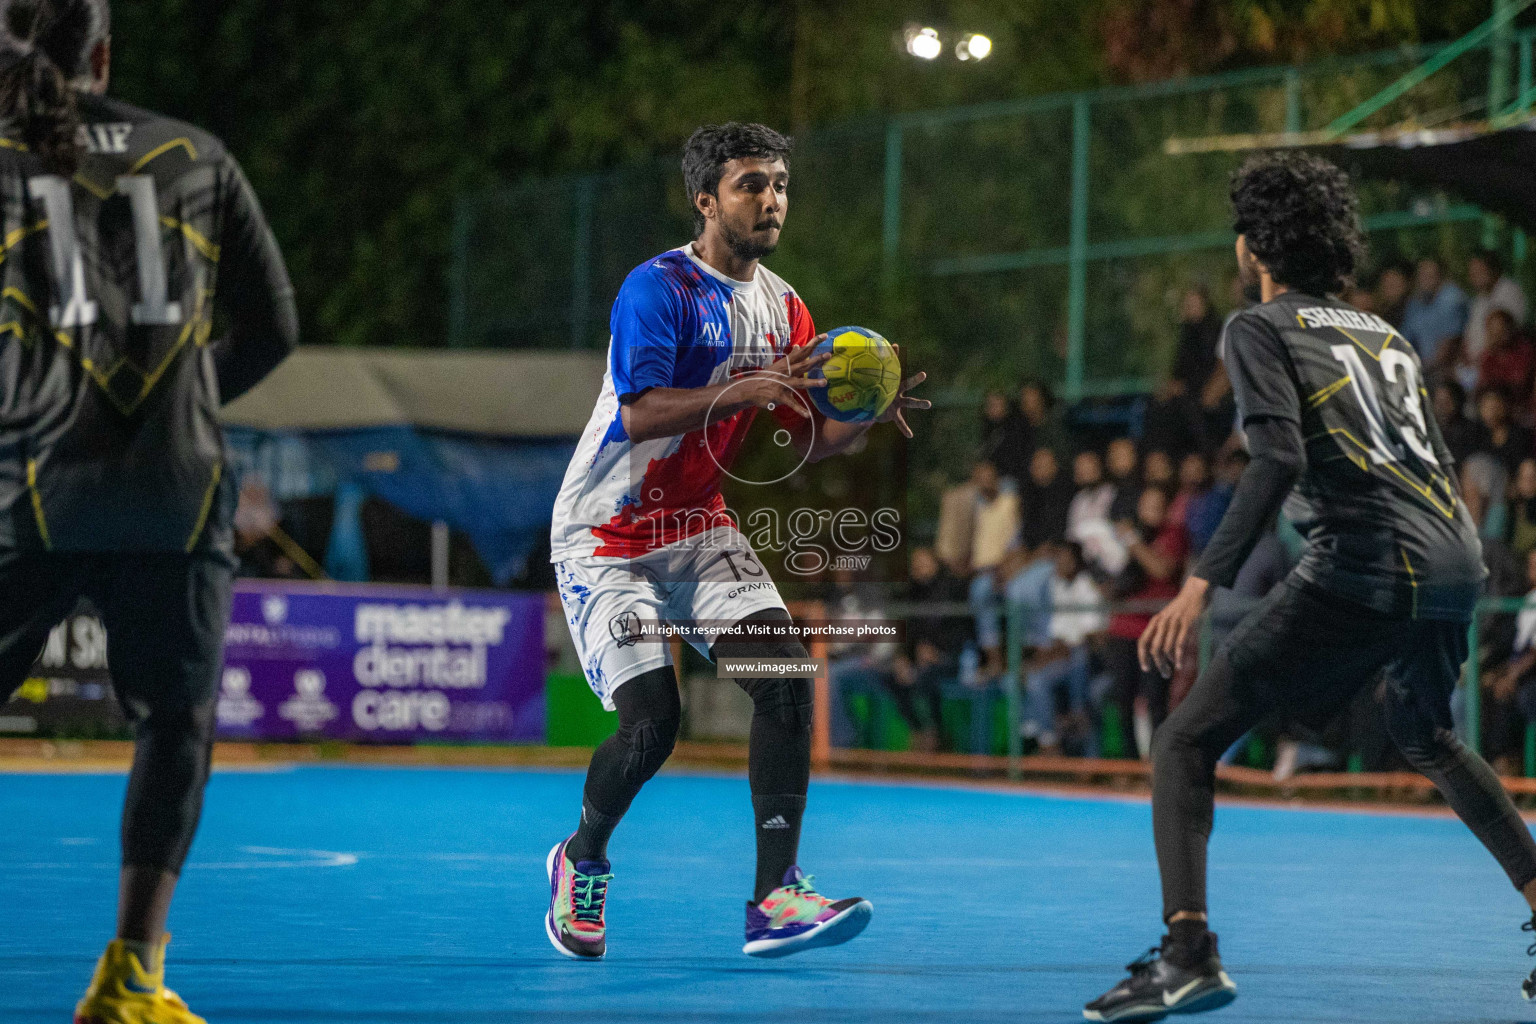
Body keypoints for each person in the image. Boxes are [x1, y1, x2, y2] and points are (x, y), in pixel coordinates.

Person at [1086, 153, 1536, 1020]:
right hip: (1455, 559)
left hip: (1370, 561)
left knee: (1183, 741)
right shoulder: (1386, 334)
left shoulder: (1259, 327)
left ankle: (1187, 954)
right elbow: (1431, 464)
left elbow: (1279, 456)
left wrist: (1199, 583)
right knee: (1425, 731)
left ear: (1255, 245)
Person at [546, 122, 927, 961]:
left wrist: (857, 419)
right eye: (753, 183)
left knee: (786, 679)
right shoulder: (658, 290)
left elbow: (805, 439)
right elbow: (639, 412)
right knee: (652, 728)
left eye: (782, 184)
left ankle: (775, 899)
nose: (772, 199)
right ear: (706, 198)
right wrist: (741, 386)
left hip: (697, 526)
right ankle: (581, 857)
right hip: (604, 535)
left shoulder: (787, 308)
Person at [0, 4, 298, 1022]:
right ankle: (130, 978)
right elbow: (275, 325)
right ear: (103, 53)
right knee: (175, 720)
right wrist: (186, 398)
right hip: (172, 489)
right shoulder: (195, 152)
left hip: (30, 484)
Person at [1021, 541, 1107, 755]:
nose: (1059, 563)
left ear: (1076, 561)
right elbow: (1053, 634)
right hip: (1062, 658)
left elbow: (1091, 635)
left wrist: (1062, 648)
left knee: (1080, 659)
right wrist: (1045, 655)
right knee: (1034, 677)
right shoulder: (1054, 586)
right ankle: (1048, 741)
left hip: (1088, 660)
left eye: (1065, 558)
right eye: (1057, 558)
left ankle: (1078, 715)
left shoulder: (1086, 585)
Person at [1460, 249, 1530, 391]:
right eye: (1472, 272)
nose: (1474, 276)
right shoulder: (1479, 300)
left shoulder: (1510, 292)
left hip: (1501, 364)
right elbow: (1469, 336)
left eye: (1479, 270)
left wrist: (1479, 359)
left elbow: (1502, 334)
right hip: (1475, 364)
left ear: (1493, 268)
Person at [1400, 255, 1468, 372]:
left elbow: (1447, 348)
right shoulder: (1415, 303)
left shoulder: (1452, 298)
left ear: (1440, 277)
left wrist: (1420, 371)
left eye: (1430, 276)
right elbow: (1403, 341)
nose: (1425, 280)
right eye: (1422, 275)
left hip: (1450, 370)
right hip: (1424, 368)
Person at [1479, 308, 1536, 411]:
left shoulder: (1526, 352)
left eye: (1502, 328)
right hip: (1498, 411)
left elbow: (1521, 383)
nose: (1498, 334)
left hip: (1524, 410)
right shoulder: (1488, 358)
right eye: (1494, 330)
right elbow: (1484, 388)